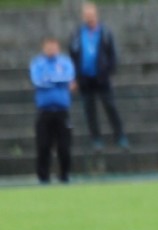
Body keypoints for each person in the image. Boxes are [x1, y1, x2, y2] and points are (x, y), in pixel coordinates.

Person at [68, 1, 129, 152]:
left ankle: (120, 136)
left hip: (102, 78)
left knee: (110, 107)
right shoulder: (77, 34)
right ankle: (96, 139)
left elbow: (113, 55)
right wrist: (73, 78)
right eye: (86, 15)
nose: (89, 18)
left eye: (91, 15)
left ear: (97, 15)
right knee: (89, 111)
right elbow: (72, 56)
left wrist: (108, 71)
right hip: (84, 79)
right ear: (83, 17)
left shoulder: (105, 33)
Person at [30, 36, 75, 184]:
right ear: (44, 48)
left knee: (64, 146)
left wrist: (50, 80)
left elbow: (68, 78)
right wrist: (58, 81)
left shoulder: (65, 62)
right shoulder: (37, 63)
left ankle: (65, 175)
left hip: (62, 111)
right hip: (44, 111)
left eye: (53, 47)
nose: (51, 50)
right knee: (43, 145)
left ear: (58, 47)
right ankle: (43, 177)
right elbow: (38, 81)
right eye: (48, 47)